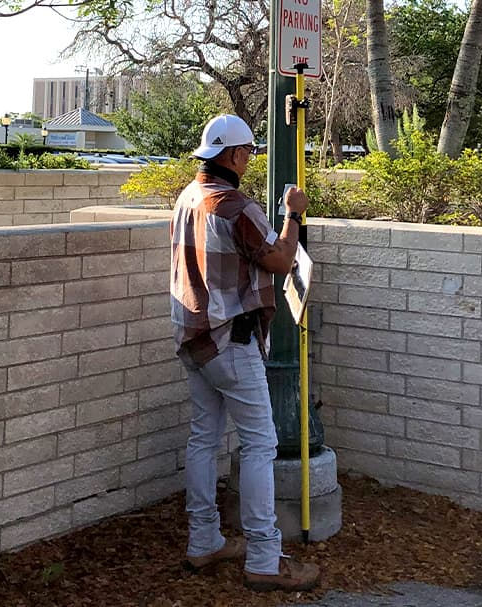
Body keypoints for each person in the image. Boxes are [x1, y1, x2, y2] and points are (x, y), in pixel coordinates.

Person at [170, 114, 322, 592]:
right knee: (260, 445)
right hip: (232, 342)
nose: (251, 159)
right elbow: (279, 260)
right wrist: (292, 214)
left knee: (203, 438)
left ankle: (204, 542)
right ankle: (263, 558)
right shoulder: (235, 206)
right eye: (249, 152)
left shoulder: (188, 197)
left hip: (194, 337)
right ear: (235, 156)